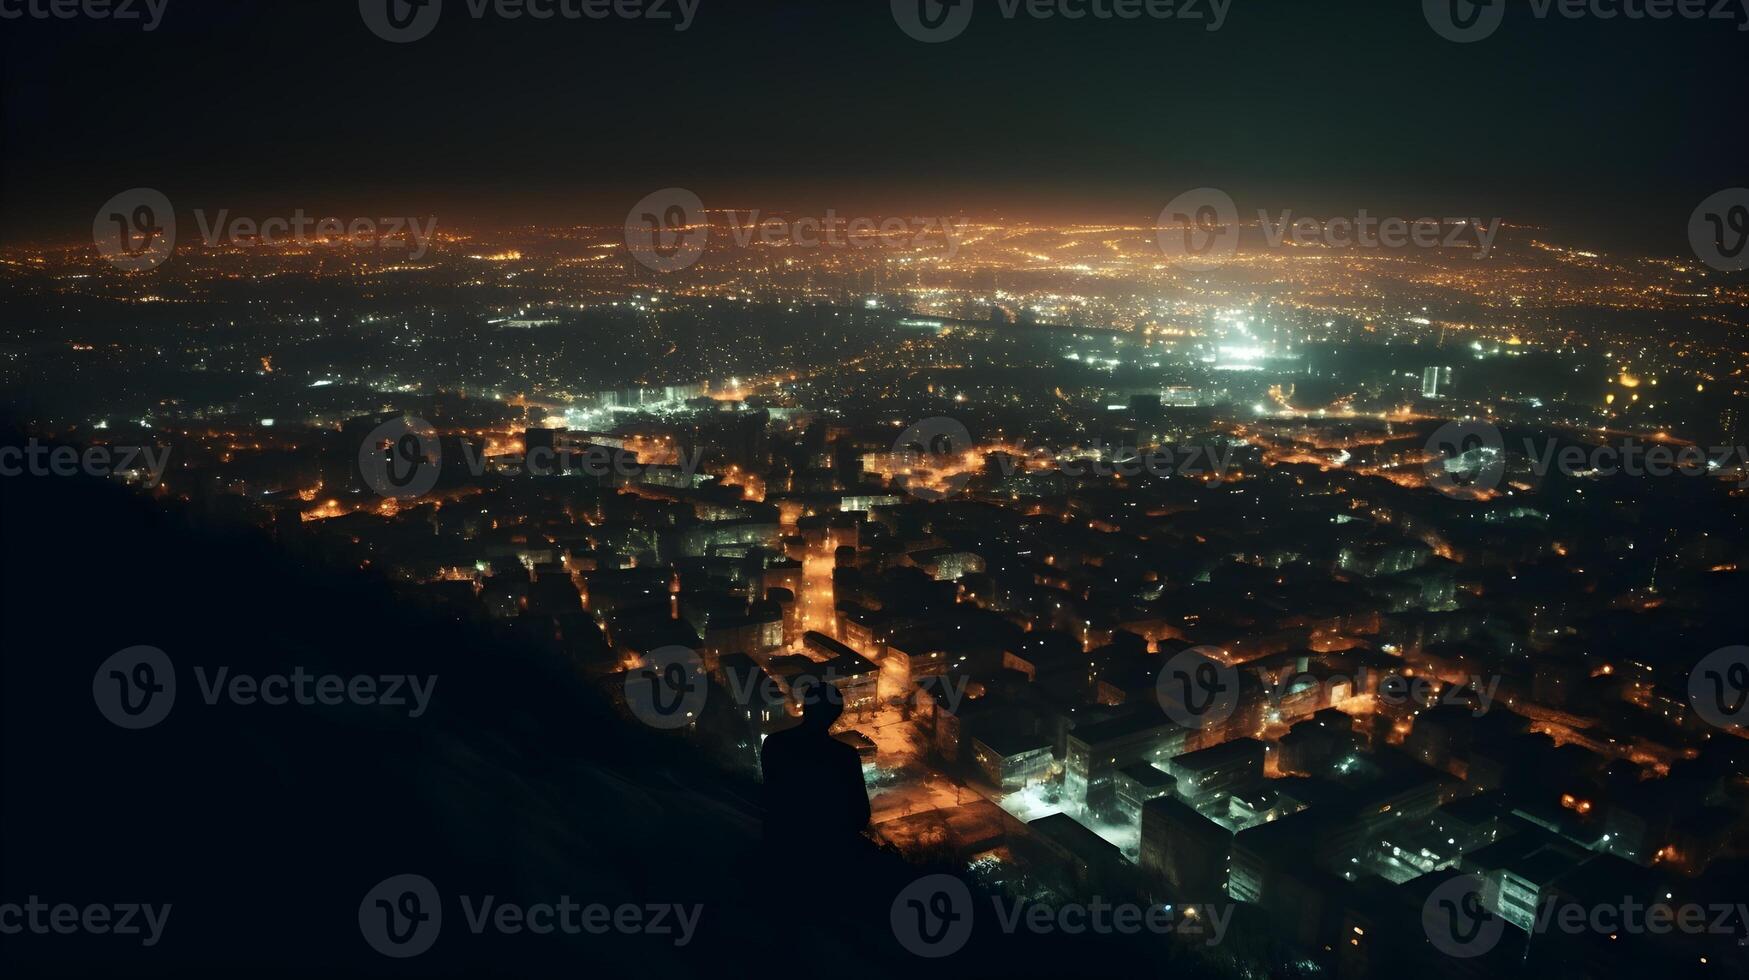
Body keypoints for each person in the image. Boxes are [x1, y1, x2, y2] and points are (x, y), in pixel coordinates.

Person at [760, 678, 870, 855]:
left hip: (781, 843)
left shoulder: (775, 744)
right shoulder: (845, 757)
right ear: (835, 715)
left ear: (805, 708)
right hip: (828, 849)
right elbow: (860, 815)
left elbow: (770, 796)